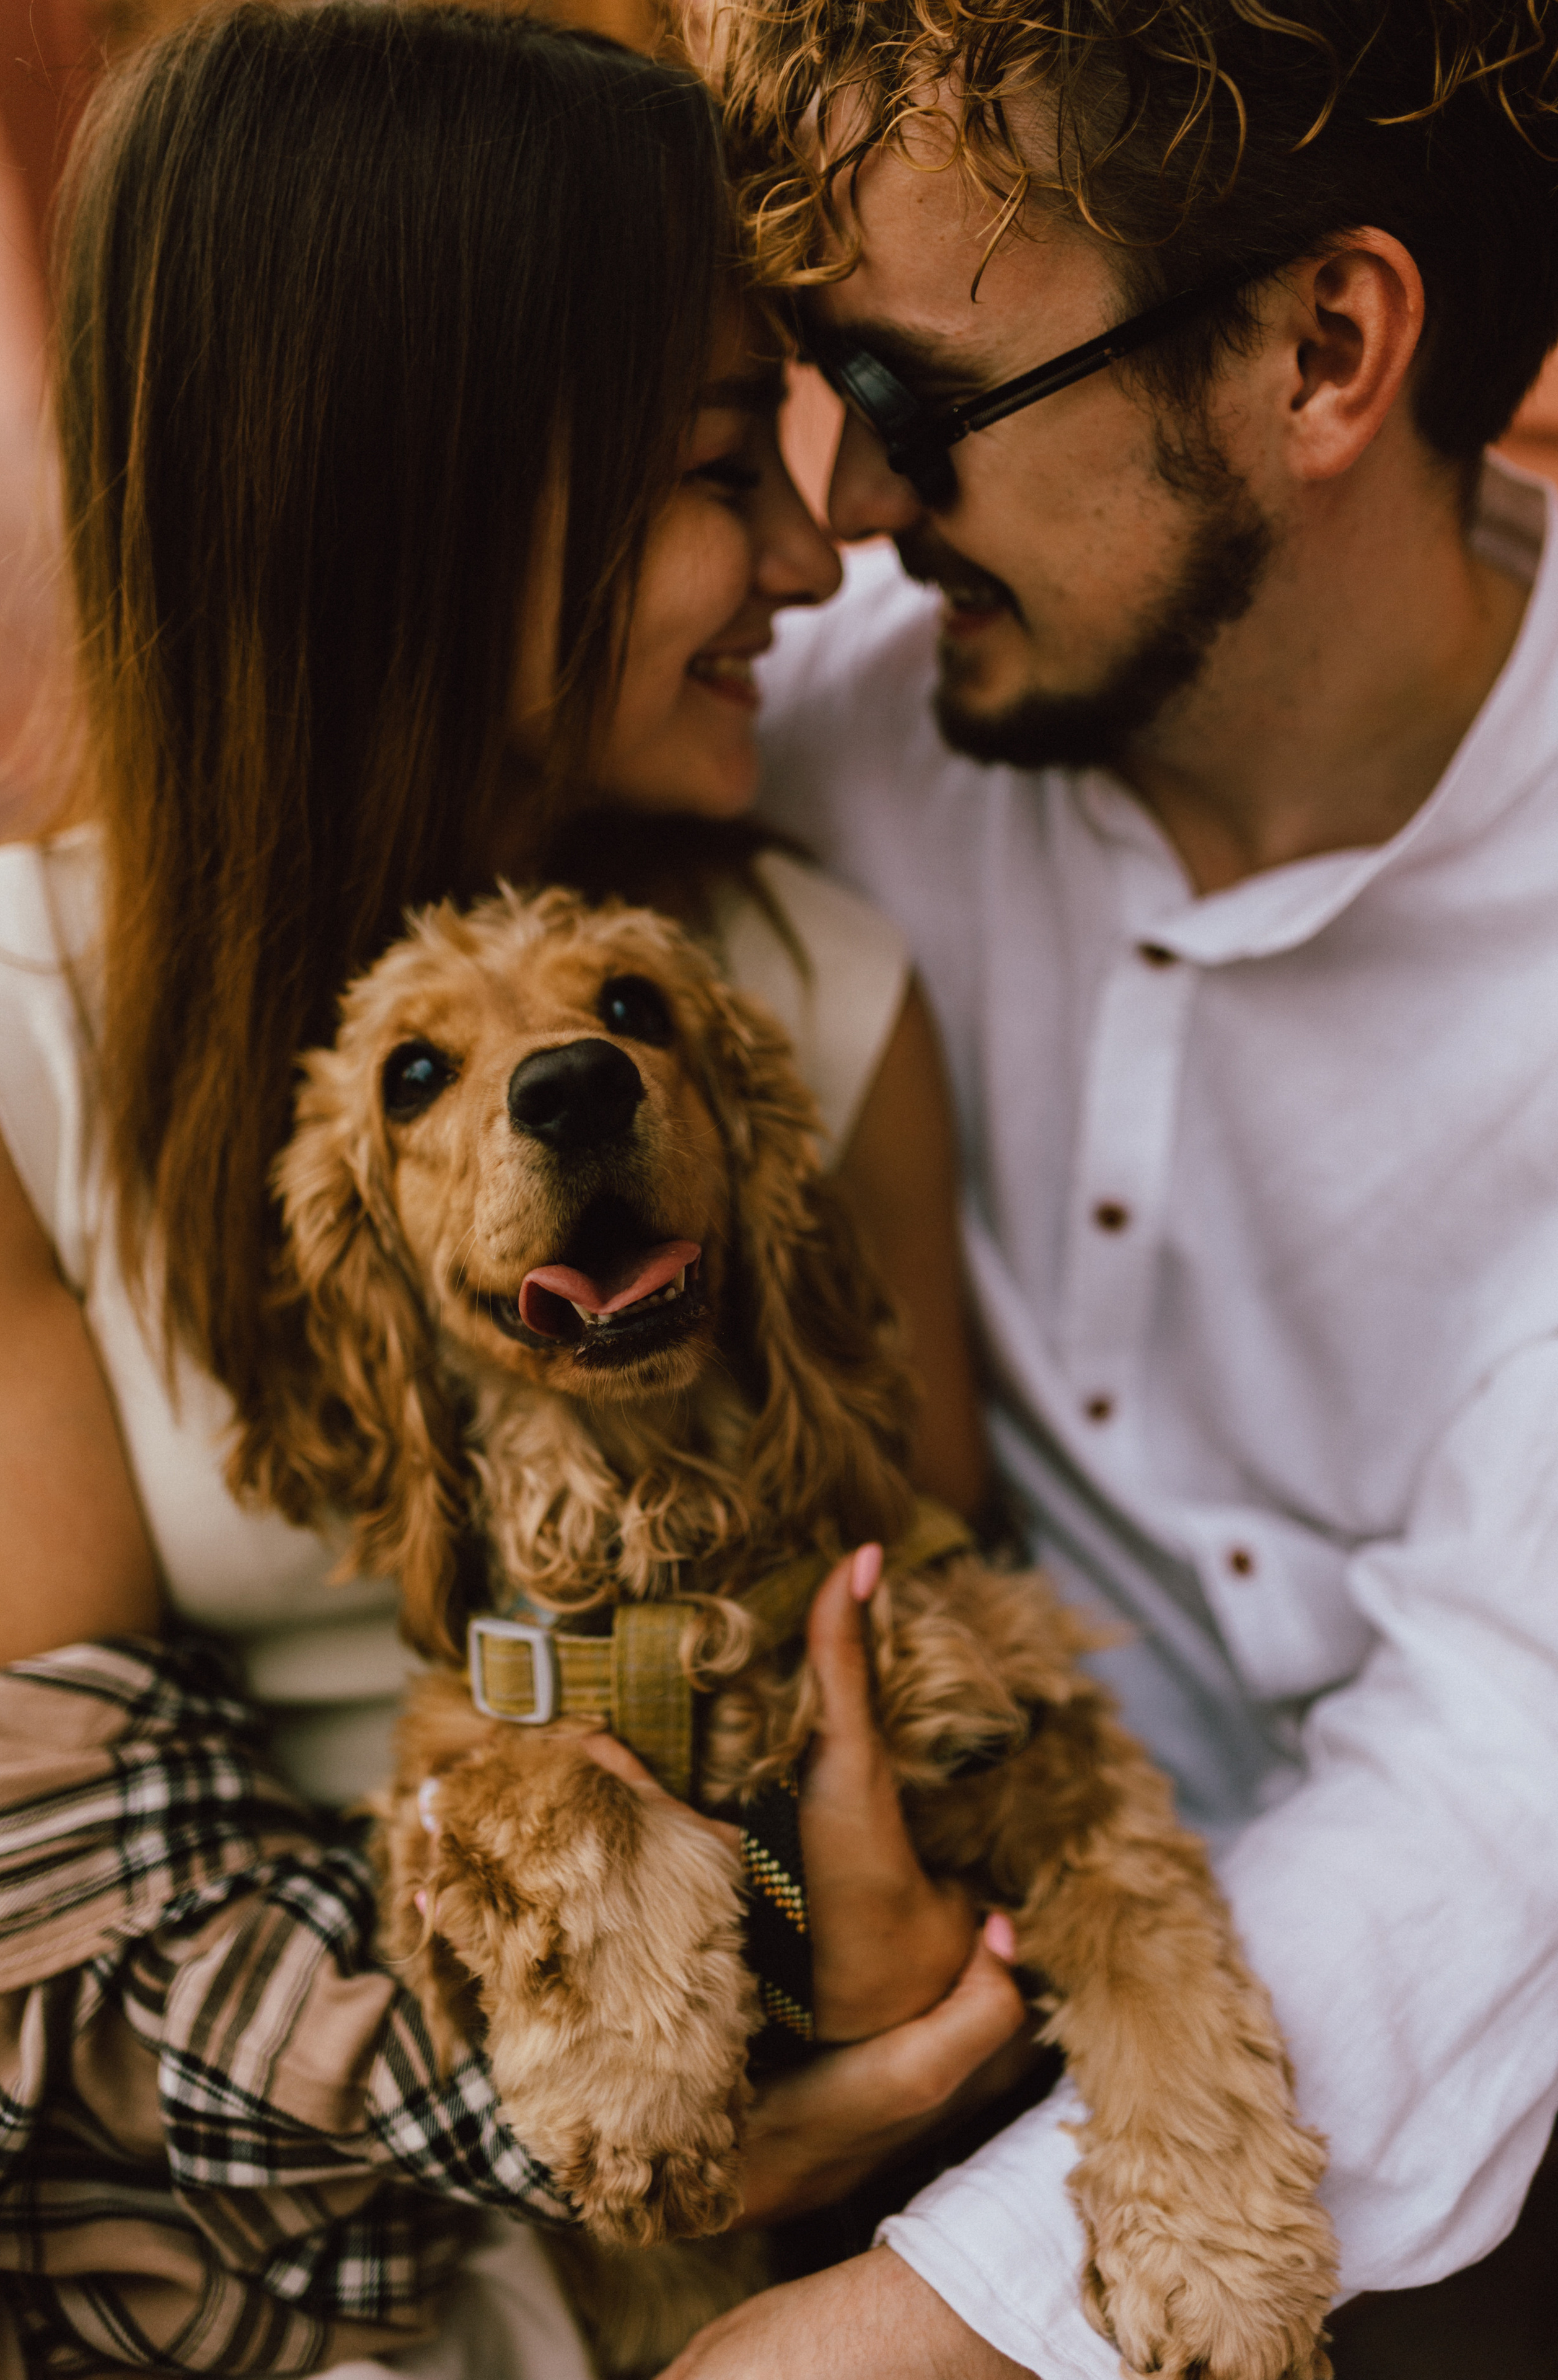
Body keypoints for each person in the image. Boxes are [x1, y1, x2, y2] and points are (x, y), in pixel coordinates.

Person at [0, 6, 1028, 2371]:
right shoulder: (8, 1035)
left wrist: (836, 1993)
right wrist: (627, 2094)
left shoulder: (795, 1011)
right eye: (708, 462)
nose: (800, 555)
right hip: (238, 2279)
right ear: (395, 504)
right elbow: (40, 1914)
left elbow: (902, 1690)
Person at [651, 1, 1558, 2376]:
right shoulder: (825, 721)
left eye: (919, 402)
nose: (840, 514)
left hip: (1433, 2154)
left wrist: (916, 2319)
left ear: (1324, 349)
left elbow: (1507, 1782)